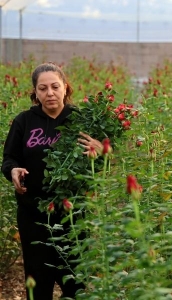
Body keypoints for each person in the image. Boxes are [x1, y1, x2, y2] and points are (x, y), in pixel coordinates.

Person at [1, 62, 102, 299]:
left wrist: (103, 151)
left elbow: (103, 165)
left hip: (73, 215)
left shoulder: (82, 120)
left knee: (75, 283)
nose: (50, 93)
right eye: (43, 88)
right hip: (33, 215)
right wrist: (13, 170)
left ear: (65, 88)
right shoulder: (24, 121)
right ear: (35, 93)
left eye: (55, 87)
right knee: (38, 284)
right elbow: (9, 158)